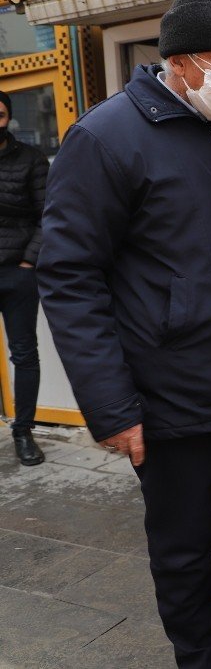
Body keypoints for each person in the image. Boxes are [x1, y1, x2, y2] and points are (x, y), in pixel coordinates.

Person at [36, 0, 211, 668]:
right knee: (185, 553)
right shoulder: (105, 139)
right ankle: (200, 660)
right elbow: (69, 277)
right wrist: (112, 407)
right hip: (171, 403)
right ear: (179, 62)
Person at [0, 90, 46, 466]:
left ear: (8, 118)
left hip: (18, 273)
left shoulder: (30, 159)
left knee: (24, 354)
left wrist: (29, 263)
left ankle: (23, 431)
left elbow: (49, 214)